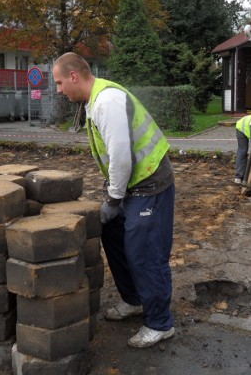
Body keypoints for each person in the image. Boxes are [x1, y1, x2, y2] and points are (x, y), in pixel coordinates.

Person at [52, 52, 176, 349]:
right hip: (133, 184)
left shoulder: (106, 102)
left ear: (73, 76)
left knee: (144, 251)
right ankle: (134, 300)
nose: (58, 90)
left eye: (59, 82)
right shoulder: (94, 101)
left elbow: (120, 156)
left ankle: (160, 323)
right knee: (112, 235)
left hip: (150, 184)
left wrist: (113, 199)